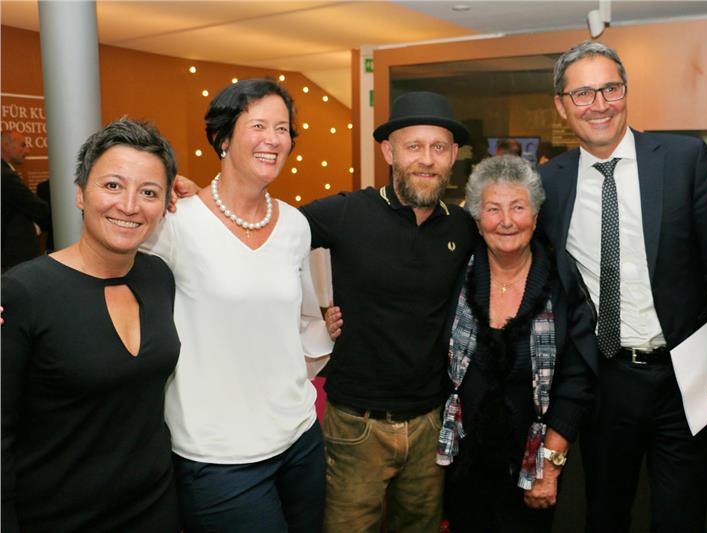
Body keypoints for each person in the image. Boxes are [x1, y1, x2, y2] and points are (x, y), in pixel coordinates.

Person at [538, 41, 707, 532]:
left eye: (611, 89)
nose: (599, 104)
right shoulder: (549, 184)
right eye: (583, 93)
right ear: (562, 106)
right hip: (605, 380)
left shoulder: (683, 159)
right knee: (605, 511)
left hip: (688, 378)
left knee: (681, 516)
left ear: (626, 92)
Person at [142, 78, 332, 532]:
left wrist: (316, 343)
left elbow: (305, 318)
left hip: (299, 437)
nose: (274, 139)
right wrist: (156, 188)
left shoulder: (295, 225)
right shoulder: (176, 223)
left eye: (282, 129)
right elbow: (110, 274)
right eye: (258, 125)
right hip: (218, 455)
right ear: (222, 137)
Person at [300, 91, 478, 532]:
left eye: (439, 147)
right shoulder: (346, 213)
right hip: (355, 425)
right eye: (413, 146)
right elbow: (263, 234)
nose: (426, 159)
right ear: (388, 151)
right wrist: (310, 320)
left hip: (432, 422)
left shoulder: (463, 227)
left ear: (453, 155)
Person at [2, 118, 180, 532]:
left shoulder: (159, 277)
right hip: (57, 518)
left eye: (149, 192)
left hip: (154, 508)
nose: (130, 205)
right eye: (113, 185)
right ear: (80, 194)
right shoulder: (24, 292)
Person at [436, 155, 595, 532]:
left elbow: (576, 382)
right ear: (477, 220)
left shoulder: (562, 283)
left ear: (536, 217)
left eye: (518, 207)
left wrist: (549, 468)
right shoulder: (455, 274)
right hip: (462, 463)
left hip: (532, 462)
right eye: (493, 209)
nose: (506, 221)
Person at [1, 130, 50, 271]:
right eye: (22, 145)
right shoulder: (5, 176)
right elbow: (35, 206)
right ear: (5, 147)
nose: (27, 150)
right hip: (13, 256)